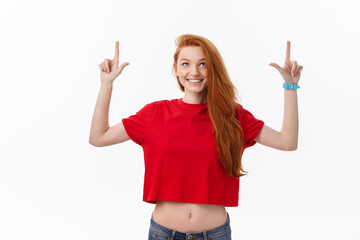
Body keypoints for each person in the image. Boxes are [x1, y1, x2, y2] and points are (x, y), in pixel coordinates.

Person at [89, 34, 303, 240]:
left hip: (215, 234)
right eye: (185, 64)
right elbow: (98, 137)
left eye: (203, 64)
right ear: (175, 69)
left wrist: (290, 86)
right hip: (164, 233)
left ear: (213, 69)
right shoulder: (154, 114)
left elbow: (287, 142)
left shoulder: (233, 116)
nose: (194, 71)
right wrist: (106, 84)